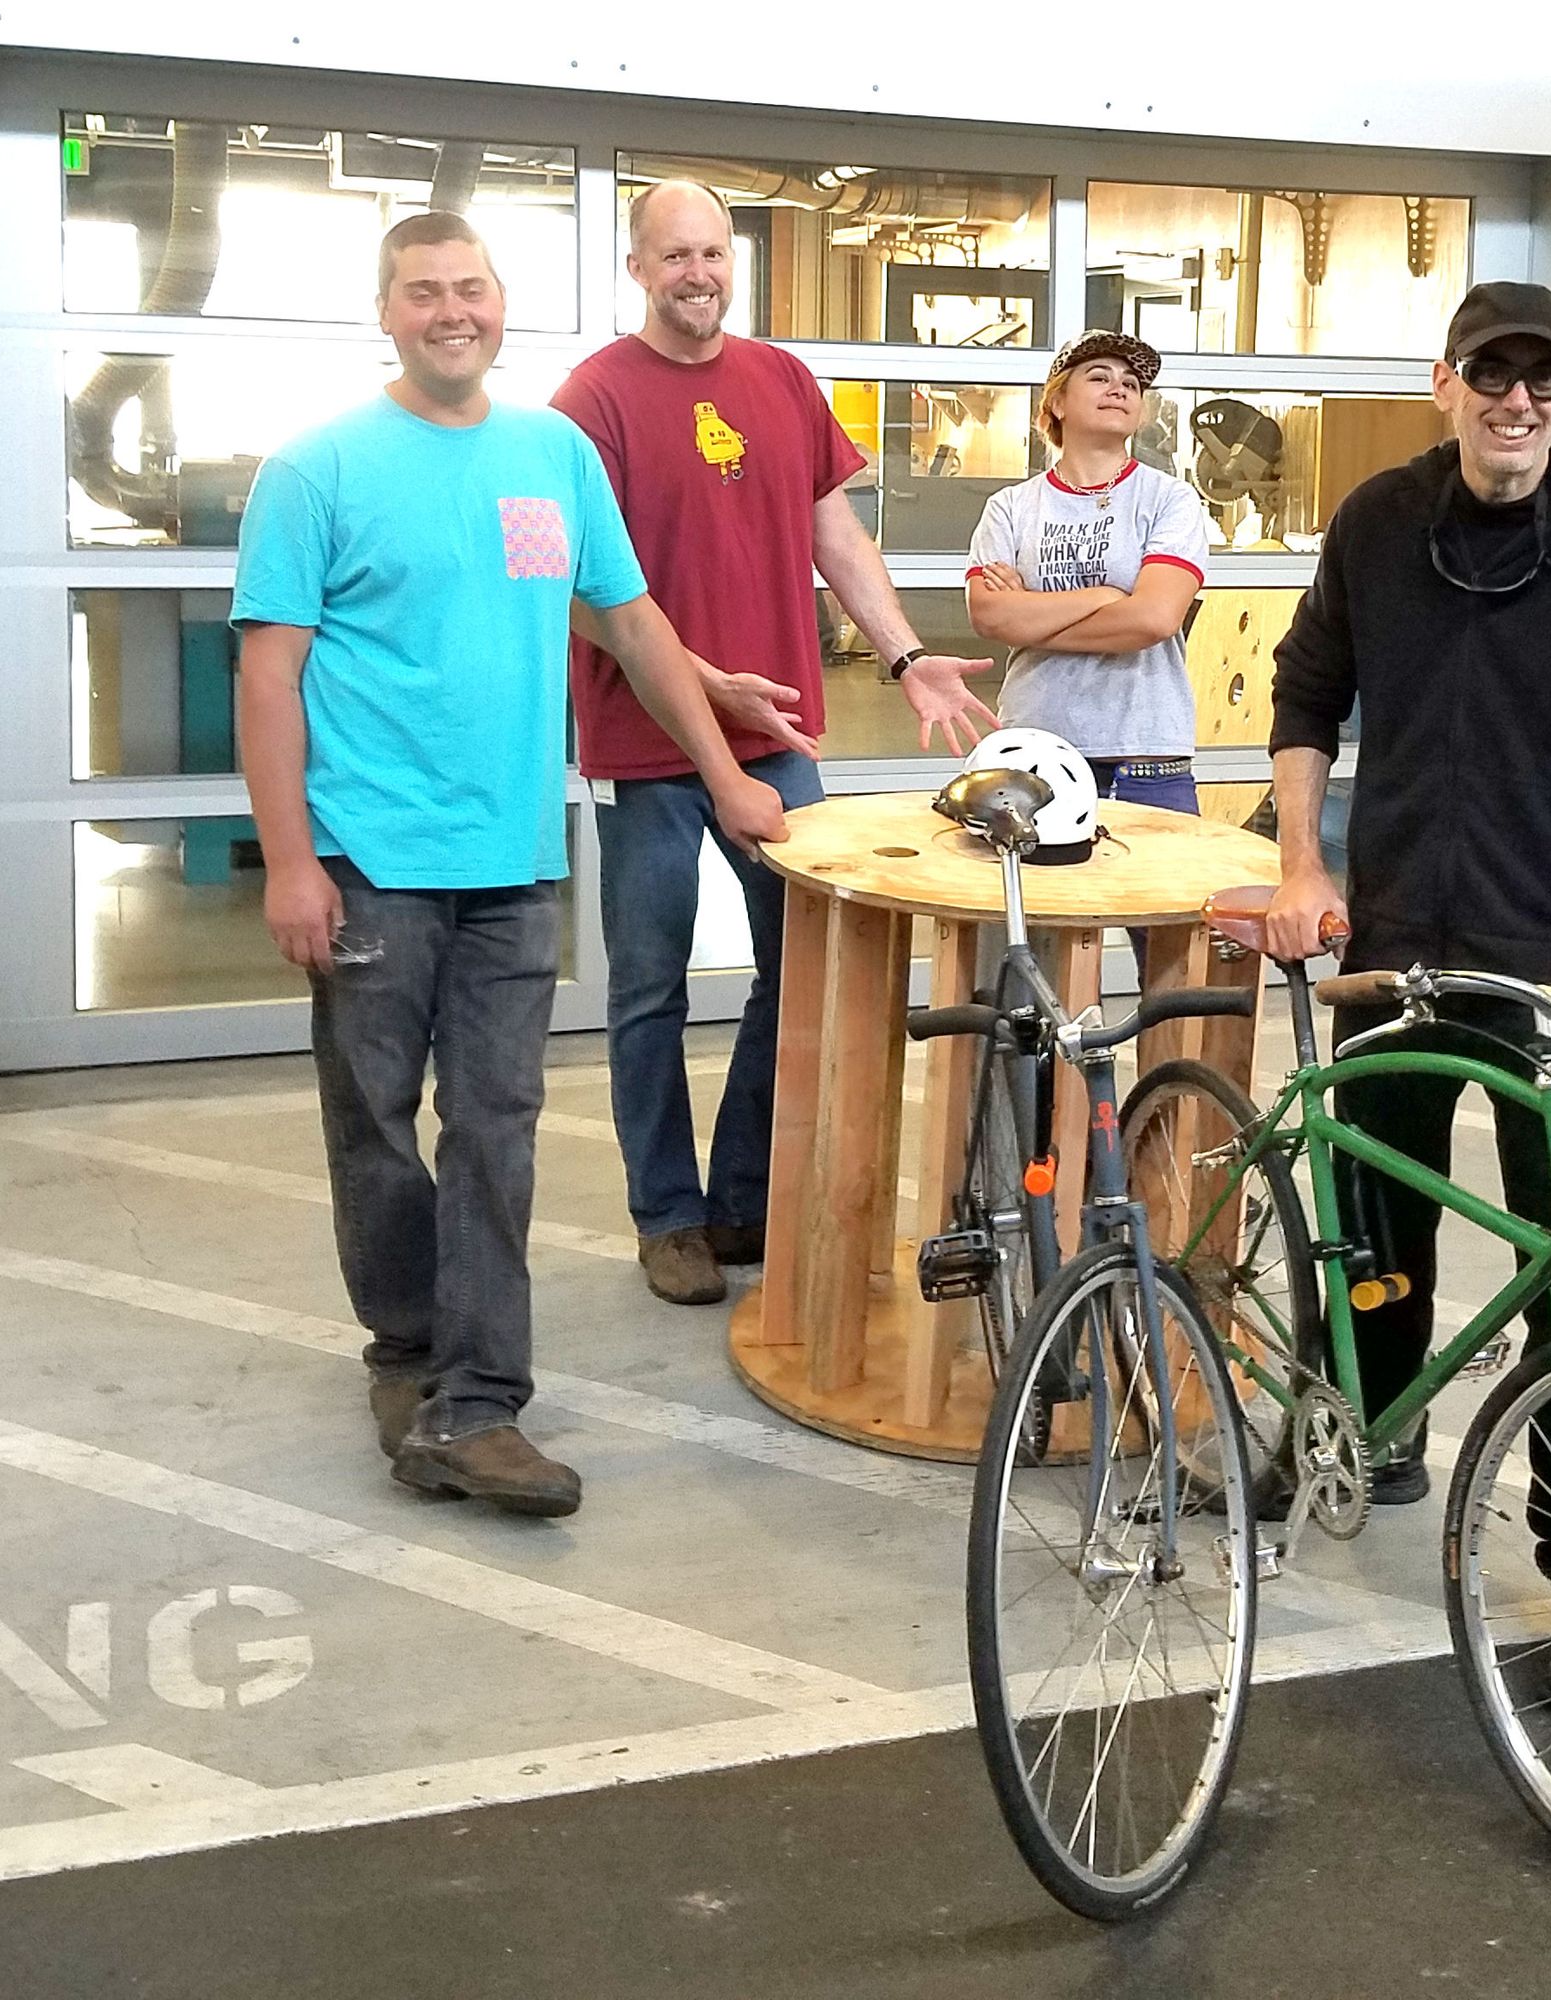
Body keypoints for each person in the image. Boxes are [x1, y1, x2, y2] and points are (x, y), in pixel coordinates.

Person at [233, 211, 786, 1516]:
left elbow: (634, 625)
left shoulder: (552, 454)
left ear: (501, 304)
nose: (451, 311)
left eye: (470, 289)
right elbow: (269, 678)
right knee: (376, 1126)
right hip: (369, 860)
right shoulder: (315, 470)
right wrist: (290, 862)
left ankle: (478, 1401)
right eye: (423, 291)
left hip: (513, 862)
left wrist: (724, 774)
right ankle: (406, 1350)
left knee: (497, 1130)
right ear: (386, 312)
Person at [1262, 280, 1551, 1705]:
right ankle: (1370, 1422)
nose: (1514, 399)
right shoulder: (1377, 523)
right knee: (1372, 1211)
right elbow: (1307, 691)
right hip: (1398, 934)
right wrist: (1300, 863)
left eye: (1542, 376)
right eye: (1490, 371)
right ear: (1445, 381)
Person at [551, 178, 999, 1308]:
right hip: (645, 741)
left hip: (780, 733)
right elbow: (575, 591)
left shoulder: (783, 381)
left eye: (713, 252)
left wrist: (903, 654)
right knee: (647, 988)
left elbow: (831, 532)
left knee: (799, 967)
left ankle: (741, 1196)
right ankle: (667, 1216)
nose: (698, 273)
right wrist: (703, 684)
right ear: (637, 268)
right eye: (676, 255)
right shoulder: (591, 400)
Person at [963, 329, 1210, 819]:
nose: (1119, 388)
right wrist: (1108, 595)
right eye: (1099, 377)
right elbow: (990, 616)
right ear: (1056, 403)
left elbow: (1154, 620)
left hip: (1143, 756)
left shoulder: (1170, 499)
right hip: (1031, 750)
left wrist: (1029, 619)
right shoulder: (1010, 507)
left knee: (1163, 874)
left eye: (1131, 384)